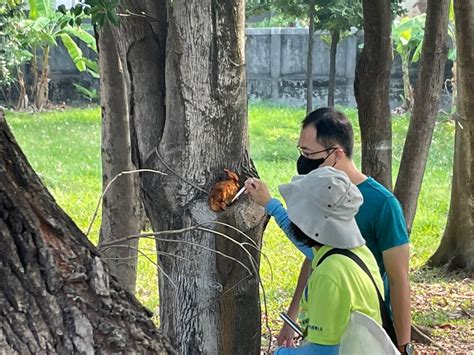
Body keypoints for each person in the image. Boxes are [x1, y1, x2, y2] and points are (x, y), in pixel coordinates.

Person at [245, 107, 411, 354]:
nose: (303, 160)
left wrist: (403, 345)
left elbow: (399, 281)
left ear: (336, 154)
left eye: (309, 153)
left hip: (359, 333)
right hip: (330, 322)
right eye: (301, 151)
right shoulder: (321, 199)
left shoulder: (383, 205)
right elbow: (315, 253)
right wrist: (293, 317)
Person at [262, 167, 385, 354]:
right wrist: (271, 205)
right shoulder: (355, 253)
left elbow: (322, 353)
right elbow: (305, 243)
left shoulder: (329, 275)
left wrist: (281, 353)